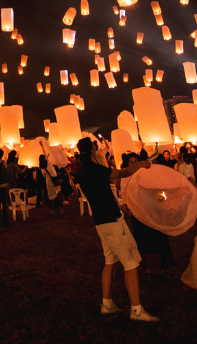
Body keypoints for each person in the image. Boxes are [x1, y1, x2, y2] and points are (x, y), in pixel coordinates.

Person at [75, 138, 158, 321]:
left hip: (101, 222)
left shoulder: (81, 171)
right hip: (112, 222)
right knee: (131, 262)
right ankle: (137, 310)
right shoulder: (95, 168)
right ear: (91, 151)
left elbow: (100, 193)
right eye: (96, 148)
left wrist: (119, 205)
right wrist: (143, 164)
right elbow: (123, 172)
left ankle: (107, 304)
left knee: (110, 261)